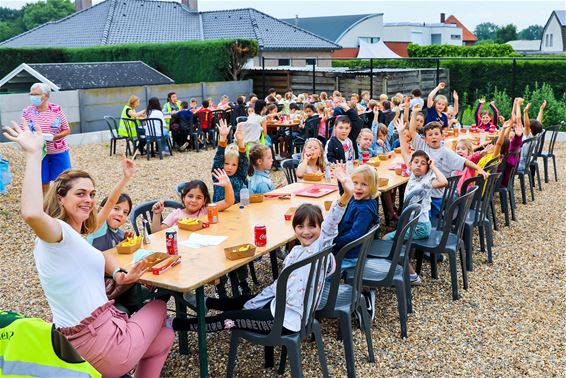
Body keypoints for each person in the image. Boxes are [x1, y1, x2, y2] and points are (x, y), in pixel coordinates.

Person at [2, 121, 173, 377]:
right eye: (80, 194)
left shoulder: (75, 238)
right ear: (60, 198)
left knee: (163, 339)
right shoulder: (58, 234)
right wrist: (34, 153)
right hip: (100, 343)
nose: (89, 200)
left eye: (92, 194)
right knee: (159, 307)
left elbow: (102, 248)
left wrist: (118, 274)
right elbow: (31, 213)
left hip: (73, 343)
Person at [172, 165, 355, 334]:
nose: (306, 232)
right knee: (246, 299)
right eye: (300, 227)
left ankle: (178, 325)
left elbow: (331, 223)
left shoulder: (319, 248)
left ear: (320, 228)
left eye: (312, 227)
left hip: (285, 322)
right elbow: (278, 285)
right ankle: (207, 302)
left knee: (230, 319)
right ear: (295, 228)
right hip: (282, 306)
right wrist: (254, 303)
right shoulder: (297, 252)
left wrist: (346, 195)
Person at [386, 117, 449, 285]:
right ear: (411, 165)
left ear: (427, 168)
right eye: (416, 162)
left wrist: (433, 166)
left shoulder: (427, 181)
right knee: (394, 235)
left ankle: (411, 275)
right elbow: (406, 152)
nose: (418, 165)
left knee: (388, 240)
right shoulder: (413, 173)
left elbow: (443, 182)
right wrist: (400, 133)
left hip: (420, 226)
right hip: (412, 223)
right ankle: (398, 265)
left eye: (423, 164)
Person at [409, 104, 487, 219]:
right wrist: (415, 113)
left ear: (442, 136)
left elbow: (464, 161)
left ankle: (433, 228)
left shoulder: (446, 152)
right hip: (422, 191)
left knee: (431, 218)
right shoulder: (422, 145)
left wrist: (479, 169)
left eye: (436, 134)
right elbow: (412, 131)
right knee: (416, 211)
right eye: (430, 135)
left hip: (436, 195)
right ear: (425, 138)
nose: (433, 137)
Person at [21, 83, 72, 194]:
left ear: (46, 95)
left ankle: (60, 202)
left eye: (36, 94)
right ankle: (45, 205)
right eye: (31, 94)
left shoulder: (56, 110)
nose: (33, 96)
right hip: (39, 153)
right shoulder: (27, 111)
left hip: (58, 151)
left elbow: (67, 129)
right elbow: (23, 130)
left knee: (64, 180)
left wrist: (54, 137)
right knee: (43, 181)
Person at [151, 173, 234, 233]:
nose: (193, 200)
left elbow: (228, 202)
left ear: (204, 201)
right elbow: (156, 233)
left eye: (198, 198)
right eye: (190, 196)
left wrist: (228, 185)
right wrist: (157, 214)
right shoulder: (175, 214)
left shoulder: (206, 210)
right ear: (183, 198)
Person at [333, 165, 379, 271]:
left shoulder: (364, 210)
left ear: (372, 187)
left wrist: (334, 242)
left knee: (323, 271)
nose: (358, 187)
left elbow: (355, 235)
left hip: (349, 255)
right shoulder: (358, 199)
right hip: (346, 249)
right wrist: (341, 179)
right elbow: (343, 193)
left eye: (364, 184)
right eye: (355, 183)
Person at [212, 120, 248, 203]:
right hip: (220, 212)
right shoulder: (218, 176)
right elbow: (218, 158)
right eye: (226, 163)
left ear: (238, 166)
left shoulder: (240, 176)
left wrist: (240, 141)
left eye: (234, 165)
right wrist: (223, 137)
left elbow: (244, 162)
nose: (229, 167)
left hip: (237, 211)